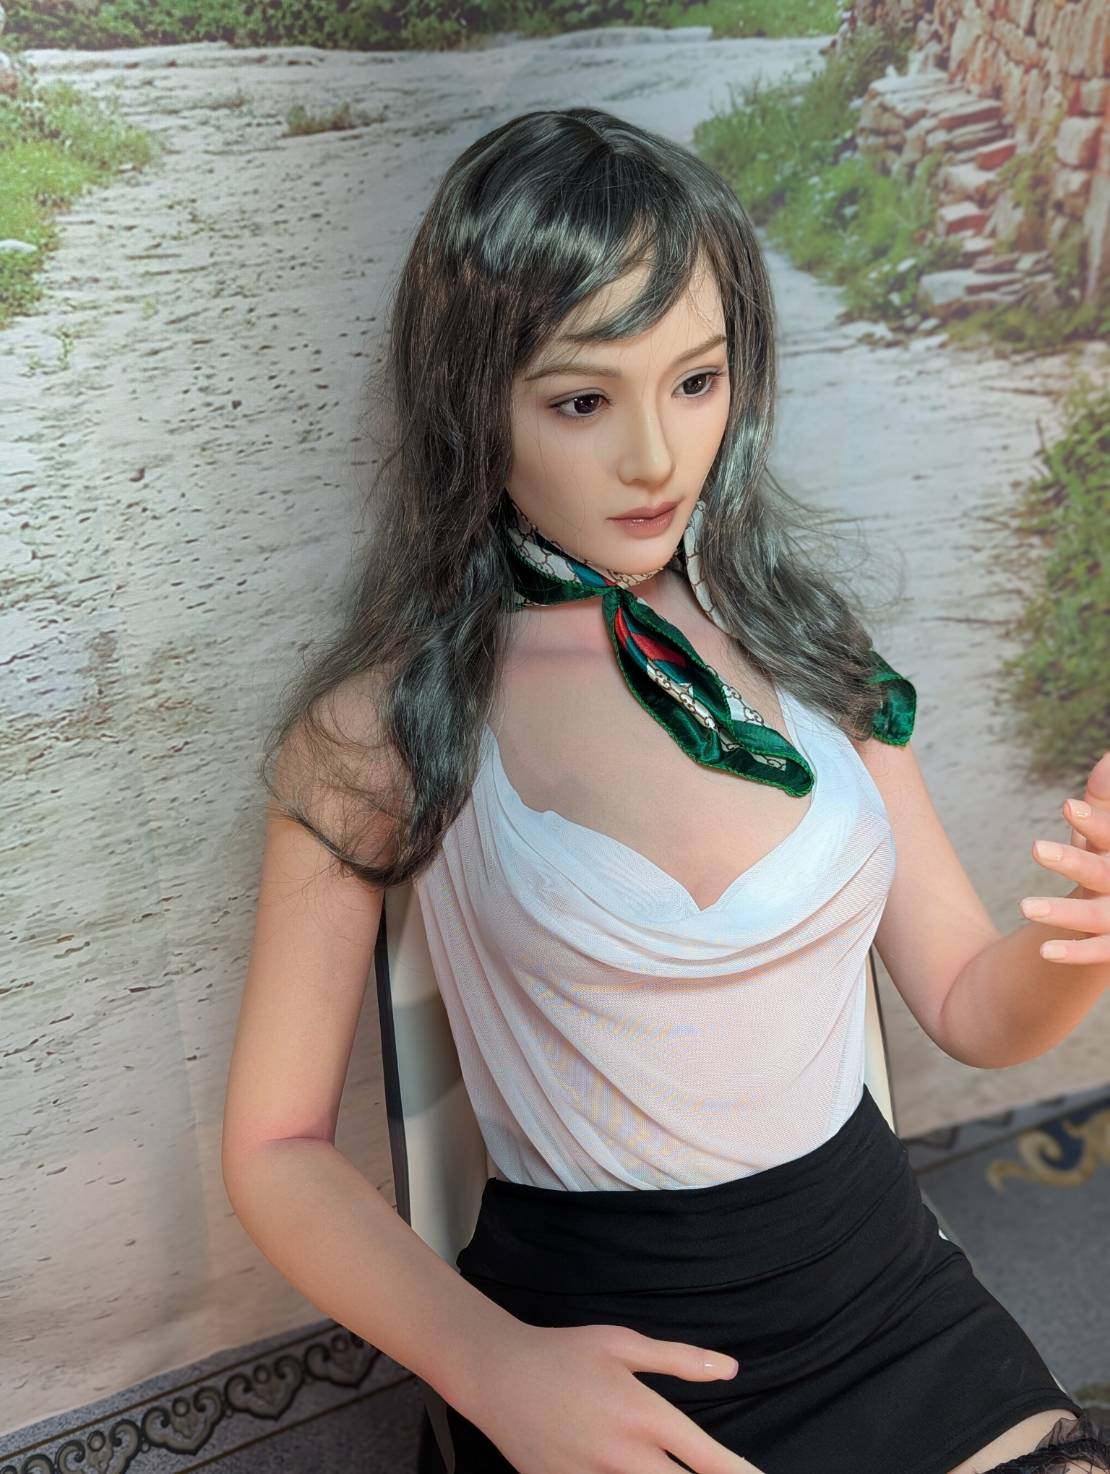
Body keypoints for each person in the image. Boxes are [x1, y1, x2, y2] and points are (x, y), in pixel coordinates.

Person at [221, 106, 1110, 1474]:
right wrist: (493, 1366)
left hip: (883, 1293)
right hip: (589, 1343)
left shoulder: (809, 648)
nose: (654, 457)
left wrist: (1084, 935)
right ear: (474, 399)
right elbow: (276, 1145)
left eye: (695, 381)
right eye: (582, 401)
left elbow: (971, 1009)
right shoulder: (386, 728)